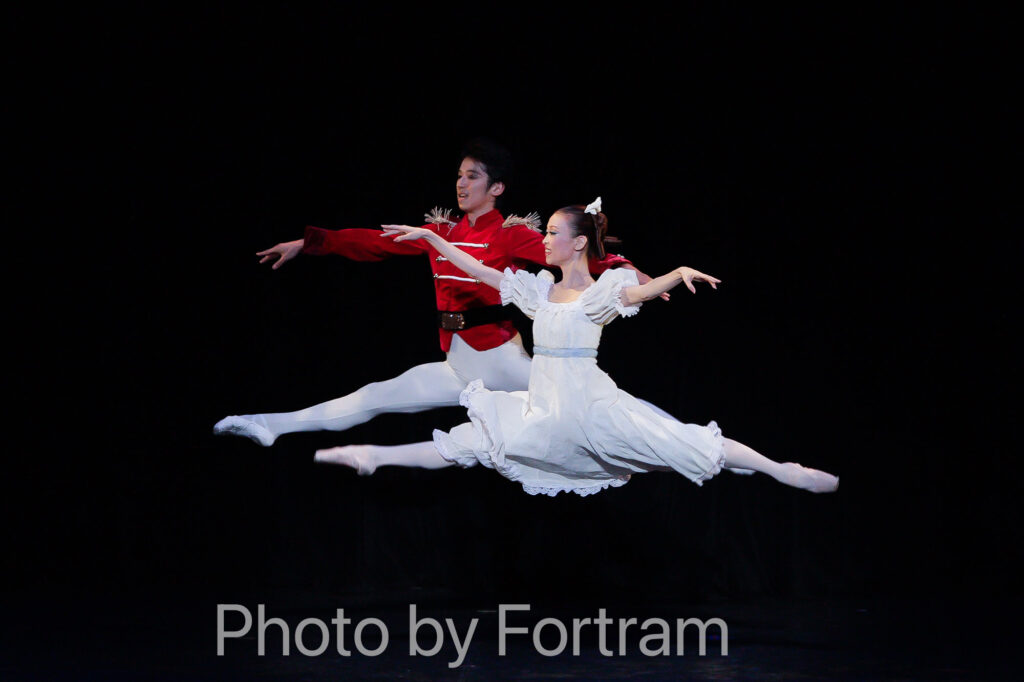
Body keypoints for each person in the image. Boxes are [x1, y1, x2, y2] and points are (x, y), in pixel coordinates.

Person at [314, 199, 840, 496]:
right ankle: (373, 456)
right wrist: (433, 239)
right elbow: (479, 270)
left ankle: (781, 470)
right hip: (543, 411)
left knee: (686, 446)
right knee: (472, 444)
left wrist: (678, 271)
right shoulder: (537, 290)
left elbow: (638, 292)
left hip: (593, 408)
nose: (542, 240)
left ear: (579, 242)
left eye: (552, 234)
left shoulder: (603, 292)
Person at [214, 140, 653, 446]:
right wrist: (308, 243)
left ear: (496, 188)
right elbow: (374, 242)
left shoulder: (509, 234)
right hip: (458, 364)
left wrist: (626, 271)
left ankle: (683, 442)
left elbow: (578, 254)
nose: (461, 184)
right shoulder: (440, 232)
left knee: (595, 403)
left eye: (472, 177)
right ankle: (269, 425)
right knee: (374, 396)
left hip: (500, 359)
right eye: (459, 176)